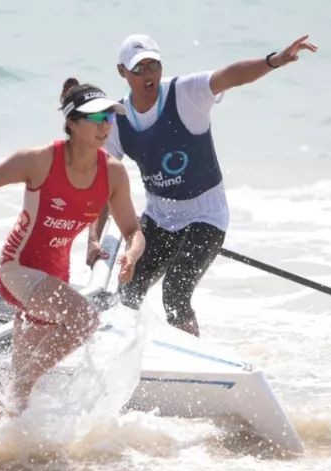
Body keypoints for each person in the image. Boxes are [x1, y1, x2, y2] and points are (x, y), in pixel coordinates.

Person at [0, 79, 145, 415]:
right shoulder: (38, 160)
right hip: (17, 269)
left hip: (55, 275)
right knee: (83, 320)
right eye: (96, 120)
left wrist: (132, 254)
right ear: (71, 123)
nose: (105, 126)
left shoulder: (113, 174)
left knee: (18, 400)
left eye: (109, 119)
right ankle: (20, 385)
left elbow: (132, 230)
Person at [93, 33, 317, 336]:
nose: (149, 75)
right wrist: (93, 238)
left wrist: (274, 61)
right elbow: (101, 185)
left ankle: (193, 363)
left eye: (153, 66)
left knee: (175, 291)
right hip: (159, 216)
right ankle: (120, 355)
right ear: (122, 71)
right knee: (128, 288)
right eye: (138, 69)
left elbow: (231, 75)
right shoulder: (117, 119)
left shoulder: (186, 92)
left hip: (205, 215)